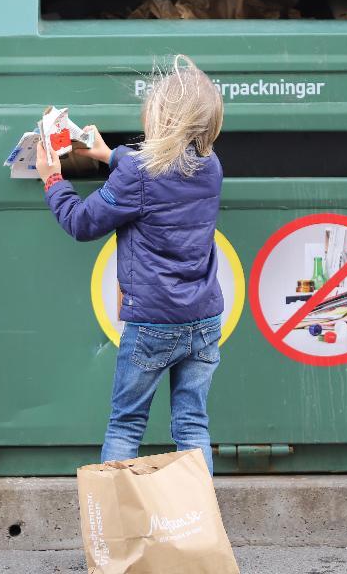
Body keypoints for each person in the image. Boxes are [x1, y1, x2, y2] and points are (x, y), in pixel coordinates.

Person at [36, 55, 225, 473]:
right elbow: (157, 171)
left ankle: (117, 532)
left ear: (157, 117)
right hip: (205, 320)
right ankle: (196, 523)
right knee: (193, 426)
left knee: (126, 425)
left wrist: (53, 179)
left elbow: (82, 222)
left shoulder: (138, 174)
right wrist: (109, 154)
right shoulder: (212, 167)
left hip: (152, 324)